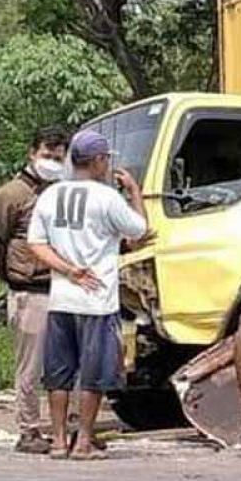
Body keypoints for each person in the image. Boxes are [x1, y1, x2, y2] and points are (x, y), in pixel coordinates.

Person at [27, 129, 148, 460]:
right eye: (106, 159)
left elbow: (36, 244)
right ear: (96, 161)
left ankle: (58, 441)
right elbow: (139, 232)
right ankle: (83, 443)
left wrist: (67, 270)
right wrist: (135, 192)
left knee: (58, 373)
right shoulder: (107, 198)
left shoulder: (50, 196)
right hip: (97, 299)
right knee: (92, 374)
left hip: (62, 298)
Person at [0, 125, 70, 455]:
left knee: (62, 364)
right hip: (28, 291)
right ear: (32, 154)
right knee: (30, 366)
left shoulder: (63, 191)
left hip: (61, 287)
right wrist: (12, 275)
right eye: (47, 155)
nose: (52, 161)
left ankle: (63, 426)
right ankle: (29, 429)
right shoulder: (11, 195)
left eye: (59, 157)